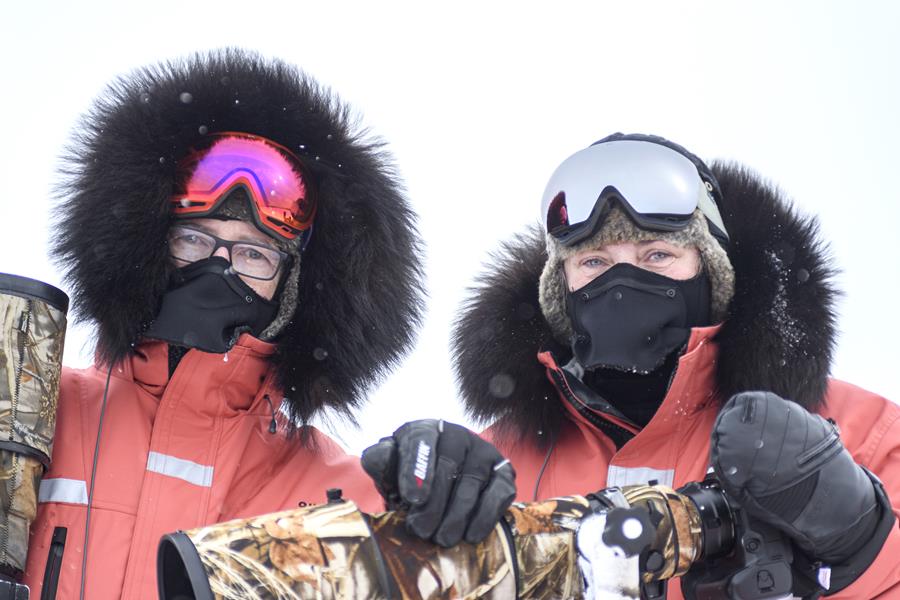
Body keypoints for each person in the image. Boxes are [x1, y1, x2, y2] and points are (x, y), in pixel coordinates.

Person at [22, 49, 439, 599]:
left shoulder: (346, 498)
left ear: (293, 288)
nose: (218, 268)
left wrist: (444, 505)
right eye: (193, 239)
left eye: (253, 256)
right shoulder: (33, 412)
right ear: (149, 245)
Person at [451, 133, 900, 598]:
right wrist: (414, 493)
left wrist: (862, 545)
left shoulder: (860, 438)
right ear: (561, 290)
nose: (622, 283)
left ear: (711, 273)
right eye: (594, 261)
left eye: (658, 255)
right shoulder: (489, 473)